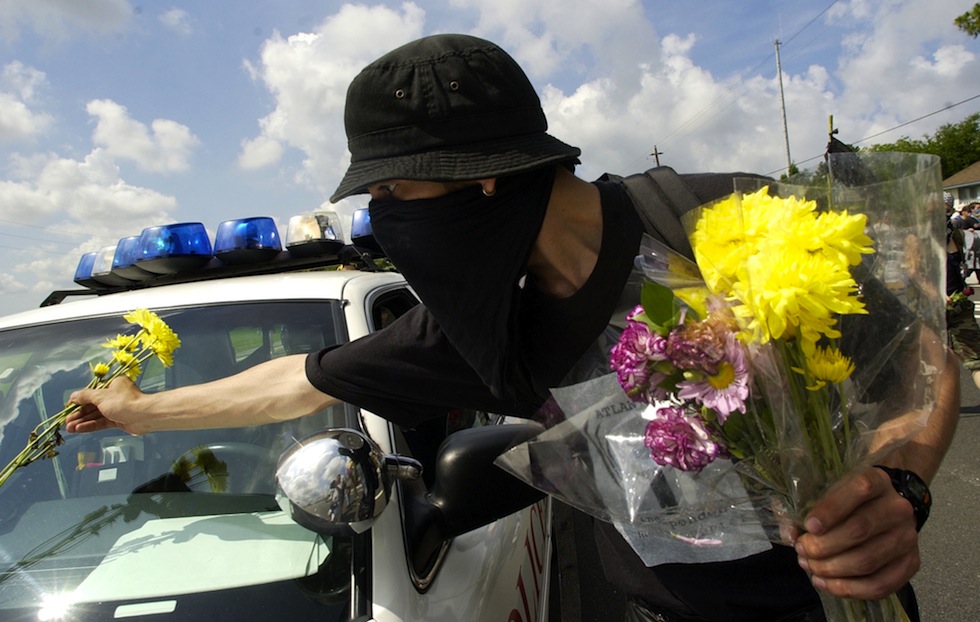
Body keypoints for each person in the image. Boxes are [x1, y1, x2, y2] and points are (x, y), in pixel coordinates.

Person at [67, 34, 960, 621]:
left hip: (842, 605)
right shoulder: (485, 325)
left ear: (481, 177)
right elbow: (296, 380)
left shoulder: (720, 222)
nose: (387, 215)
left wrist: (901, 484)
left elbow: (921, 362)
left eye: (395, 190)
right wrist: (139, 411)